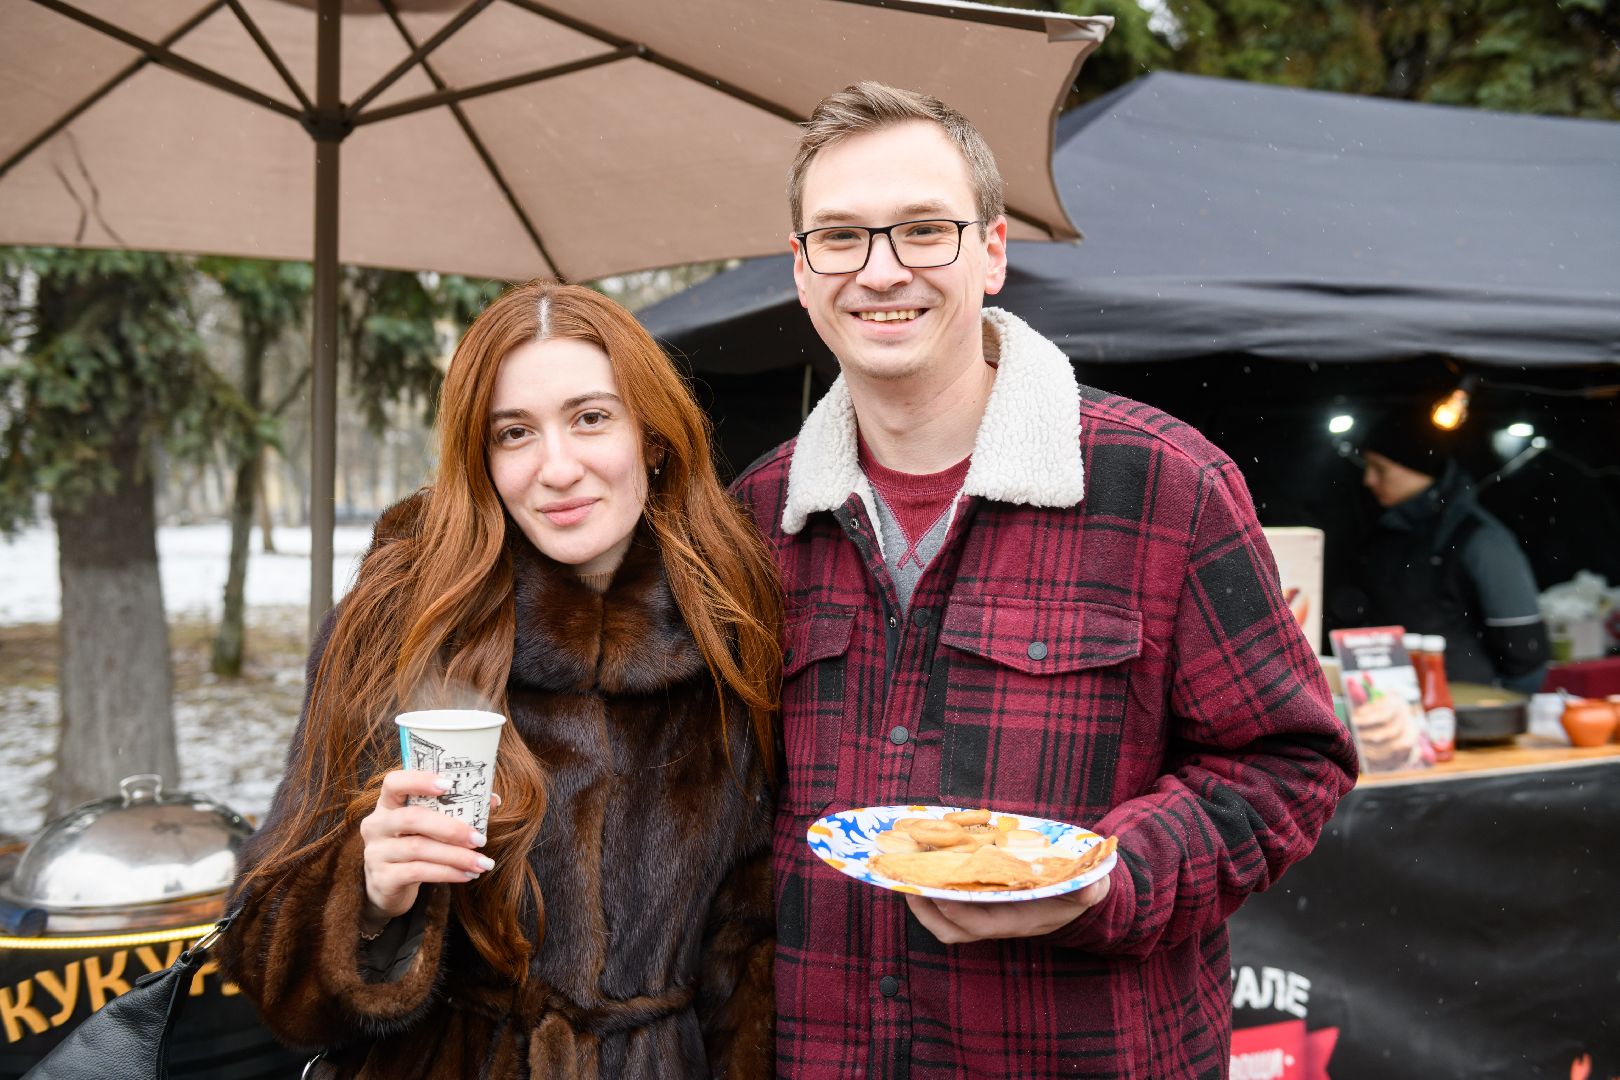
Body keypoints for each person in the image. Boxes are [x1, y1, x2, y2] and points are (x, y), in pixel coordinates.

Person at [728, 82, 1359, 1078]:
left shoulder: (1163, 484)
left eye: (924, 230)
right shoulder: (754, 520)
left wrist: (1111, 879)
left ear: (992, 251)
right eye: (840, 238)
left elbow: (1291, 764)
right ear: (802, 271)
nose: (881, 270)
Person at [220, 282, 781, 1078]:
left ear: (652, 436)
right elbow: (264, 955)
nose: (557, 468)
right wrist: (369, 892)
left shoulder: (731, 623)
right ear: (481, 461)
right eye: (514, 433)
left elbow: (751, 945)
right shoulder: (398, 621)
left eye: (591, 417)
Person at [1351, 404, 1550, 693]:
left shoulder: (1481, 539)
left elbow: (1525, 651)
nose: (1368, 480)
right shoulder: (1386, 531)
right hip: (1393, 705)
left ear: (1420, 469)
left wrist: (1494, 710)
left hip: (1469, 712)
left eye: (1380, 469)